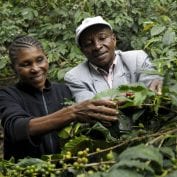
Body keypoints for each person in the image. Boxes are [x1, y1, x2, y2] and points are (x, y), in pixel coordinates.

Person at [0, 36, 118, 161]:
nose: (35, 68)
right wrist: (73, 112)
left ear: (47, 59)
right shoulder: (7, 95)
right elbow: (16, 128)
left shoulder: (65, 91)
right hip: (27, 171)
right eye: (26, 64)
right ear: (14, 68)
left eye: (39, 60)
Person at [64, 16, 163, 103]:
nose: (97, 46)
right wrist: (127, 96)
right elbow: (90, 108)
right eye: (89, 43)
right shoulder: (75, 77)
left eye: (102, 38)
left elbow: (151, 92)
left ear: (114, 39)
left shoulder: (137, 59)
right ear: (83, 51)